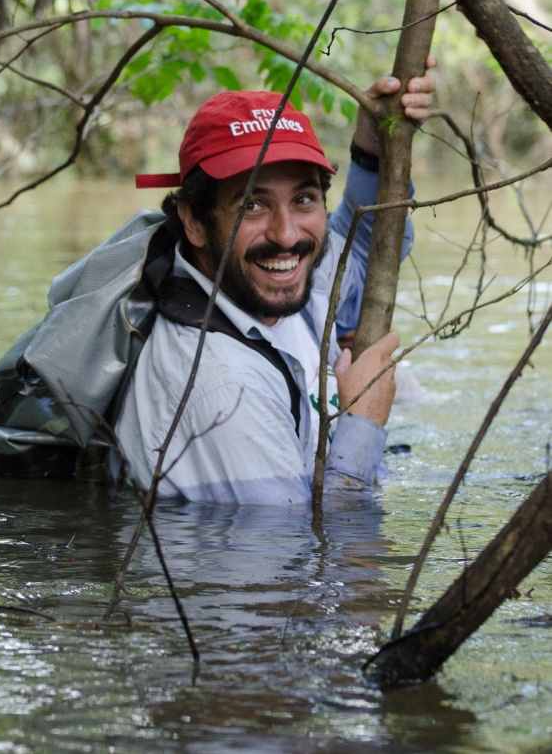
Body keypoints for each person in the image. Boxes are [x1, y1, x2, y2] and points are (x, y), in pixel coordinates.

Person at [113, 70, 435, 505]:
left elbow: (362, 253)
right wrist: (363, 423)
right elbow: (304, 554)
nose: (286, 235)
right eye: (252, 205)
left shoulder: (271, 277)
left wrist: (373, 149)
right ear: (194, 220)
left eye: (303, 199)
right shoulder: (222, 391)